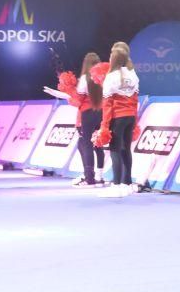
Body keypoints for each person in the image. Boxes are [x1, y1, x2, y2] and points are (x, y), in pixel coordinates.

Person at [55, 52, 107, 187]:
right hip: (102, 112)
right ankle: (99, 177)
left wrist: (67, 94)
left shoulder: (85, 78)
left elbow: (78, 99)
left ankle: (89, 178)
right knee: (98, 144)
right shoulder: (105, 76)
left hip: (88, 113)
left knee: (87, 144)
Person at [94, 46, 140, 198]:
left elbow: (107, 105)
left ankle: (116, 186)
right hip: (130, 117)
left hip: (117, 118)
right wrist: (135, 120)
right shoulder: (133, 74)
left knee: (115, 150)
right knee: (126, 149)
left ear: (113, 59)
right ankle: (127, 184)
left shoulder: (111, 76)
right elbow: (135, 100)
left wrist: (104, 126)